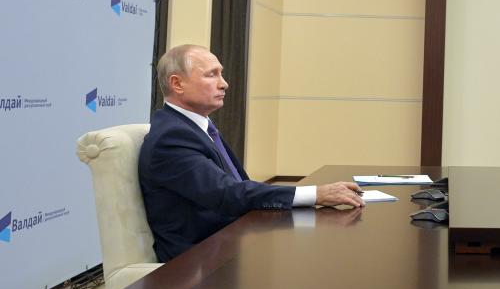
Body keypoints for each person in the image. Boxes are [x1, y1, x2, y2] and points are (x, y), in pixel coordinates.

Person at [139, 44, 364, 261]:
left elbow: (233, 189)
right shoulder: (172, 137)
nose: (224, 84)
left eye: (222, 74)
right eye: (211, 75)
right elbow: (225, 194)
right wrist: (316, 194)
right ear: (177, 84)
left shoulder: (195, 128)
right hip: (196, 263)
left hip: (227, 242)